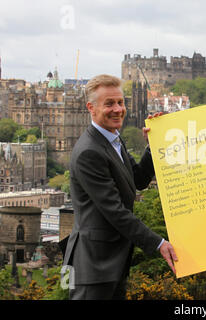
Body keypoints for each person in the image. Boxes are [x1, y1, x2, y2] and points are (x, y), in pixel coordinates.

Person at [63, 74, 177, 300]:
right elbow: (114, 211)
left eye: (121, 102)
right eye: (109, 104)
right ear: (91, 108)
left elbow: (138, 180)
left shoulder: (113, 138)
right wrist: (158, 243)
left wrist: (153, 146)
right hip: (92, 266)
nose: (118, 109)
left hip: (111, 262)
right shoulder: (89, 151)